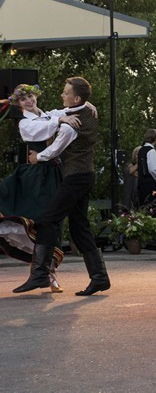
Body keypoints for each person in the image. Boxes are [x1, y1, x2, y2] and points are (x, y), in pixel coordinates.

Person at [14, 76, 111, 296]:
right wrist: (86, 105)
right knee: (79, 227)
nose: (62, 94)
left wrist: (38, 156)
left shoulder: (67, 124)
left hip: (72, 176)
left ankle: (40, 274)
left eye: (66, 92)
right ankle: (100, 277)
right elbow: (58, 115)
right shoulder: (73, 113)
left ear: (75, 98)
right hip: (75, 175)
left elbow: (55, 149)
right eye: (23, 99)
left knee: (48, 219)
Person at [0, 84, 88, 293]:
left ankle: (46, 273)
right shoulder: (25, 123)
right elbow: (41, 130)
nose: (28, 101)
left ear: (36, 96)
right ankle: (44, 273)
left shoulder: (48, 114)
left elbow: (67, 111)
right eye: (23, 99)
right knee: (39, 221)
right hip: (35, 176)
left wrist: (86, 105)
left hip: (53, 174)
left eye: (30, 96)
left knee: (49, 223)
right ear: (19, 104)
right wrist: (60, 120)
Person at [137, 128, 156, 217]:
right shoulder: (151, 151)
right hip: (150, 182)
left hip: (141, 181)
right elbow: (152, 169)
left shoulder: (141, 150)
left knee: (143, 206)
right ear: (155, 139)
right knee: (152, 206)